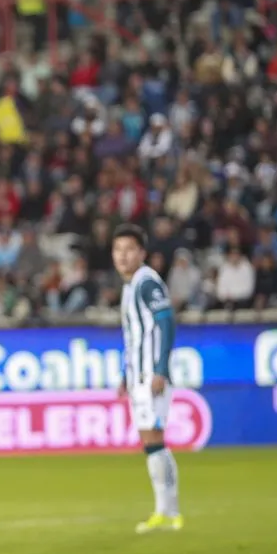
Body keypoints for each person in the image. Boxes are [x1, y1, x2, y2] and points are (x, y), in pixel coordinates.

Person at [112, 224, 183, 534]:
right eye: (118, 250)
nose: (123, 256)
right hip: (138, 375)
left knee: (154, 440)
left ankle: (170, 512)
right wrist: (123, 375)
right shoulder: (130, 286)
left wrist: (161, 370)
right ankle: (164, 511)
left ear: (141, 253)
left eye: (129, 250)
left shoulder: (146, 283)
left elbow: (166, 324)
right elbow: (133, 336)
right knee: (150, 443)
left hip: (151, 375)